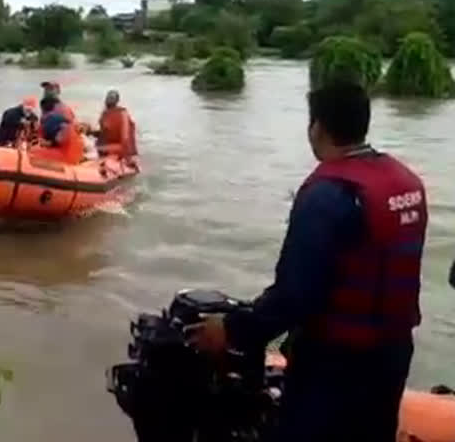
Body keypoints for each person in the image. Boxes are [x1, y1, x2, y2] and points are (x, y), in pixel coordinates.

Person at [186, 82, 428, 442]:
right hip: (392, 354)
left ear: (317, 127)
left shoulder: (327, 195)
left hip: (335, 362)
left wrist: (232, 330)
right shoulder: (406, 183)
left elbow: (294, 295)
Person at [88, 89, 137, 158]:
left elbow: (125, 140)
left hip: (119, 148)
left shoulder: (122, 114)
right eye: (108, 98)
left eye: (110, 98)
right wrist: (90, 132)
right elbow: (105, 133)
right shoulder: (106, 113)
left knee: (90, 150)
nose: (108, 100)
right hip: (109, 147)